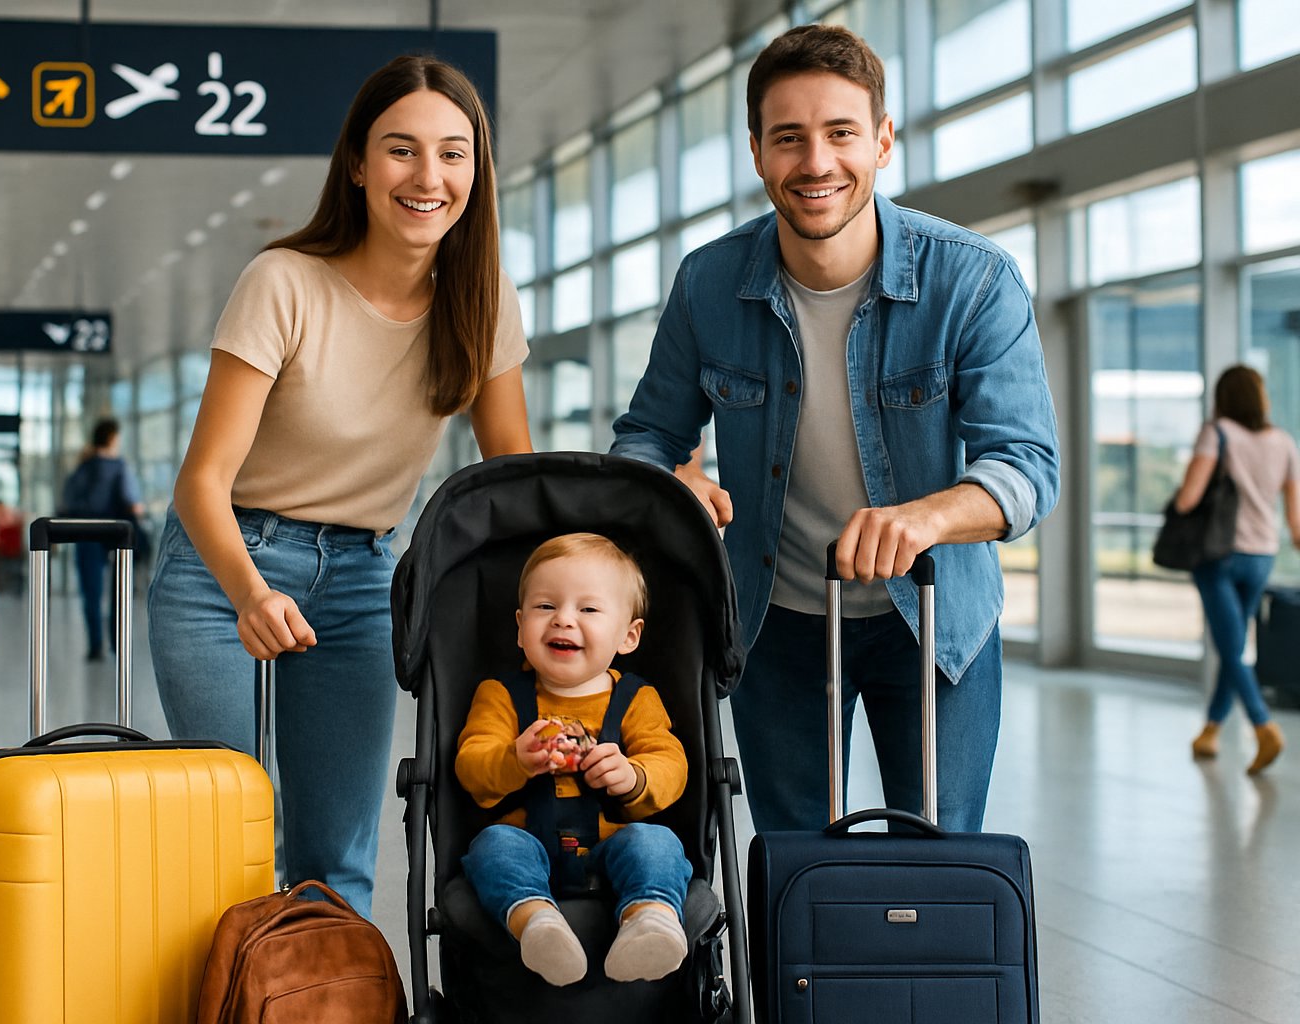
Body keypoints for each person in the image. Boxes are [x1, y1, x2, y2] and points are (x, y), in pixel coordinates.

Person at [609, 24, 1059, 833]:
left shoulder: (973, 279)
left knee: (941, 863)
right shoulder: (709, 283)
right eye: (789, 138)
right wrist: (666, 481)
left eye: (841, 132)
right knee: (793, 869)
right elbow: (646, 436)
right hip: (775, 622)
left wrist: (924, 517)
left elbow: (1026, 467)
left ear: (882, 141)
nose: (816, 162)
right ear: (757, 152)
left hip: (933, 622)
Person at [147, 55, 532, 918]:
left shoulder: (481, 300)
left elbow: (510, 473)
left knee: (338, 857)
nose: (428, 177)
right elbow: (201, 479)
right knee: (227, 839)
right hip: (224, 566)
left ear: (477, 169)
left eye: (452, 153)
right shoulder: (283, 282)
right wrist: (249, 592)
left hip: (361, 574)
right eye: (401, 151)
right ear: (357, 164)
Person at [456, 534, 691, 987]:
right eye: (546, 607)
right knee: (494, 846)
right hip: (531, 849)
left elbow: (670, 762)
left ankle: (650, 918)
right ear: (521, 626)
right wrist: (514, 760)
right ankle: (537, 922)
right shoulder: (501, 696)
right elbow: (472, 765)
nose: (563, 619)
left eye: (588, 609)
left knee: (656, 844)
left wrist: (631, 776)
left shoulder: (636, 699)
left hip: (614, 850)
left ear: (628, 635)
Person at [1180, 366, 1299, 774]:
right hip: (1263, 555)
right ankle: (1210, 730)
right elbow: (1296, 520)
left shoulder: (1217, 433)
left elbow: (1188, 499)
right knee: (1233, 645)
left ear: (1224, 397)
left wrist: (1183, 494)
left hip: (1220, 556)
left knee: (1230, 648)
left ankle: (1264, 727)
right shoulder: (1284, 441)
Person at [61, 419, 145, 660]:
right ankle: (117, 643)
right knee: (120, 590)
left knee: (91, 592)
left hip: (84, 532)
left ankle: (95, 645)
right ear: (112, 438)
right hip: (115, 533)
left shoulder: (82, 466)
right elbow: (131, 500)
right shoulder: (118, 466)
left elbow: (67, 500)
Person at [0, 499, 26, 595]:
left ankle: (16, 590)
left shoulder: (13, 517)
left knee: (16, 571)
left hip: (15, 550)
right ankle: (2, 590)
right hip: (2, 551)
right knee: (2, 571)